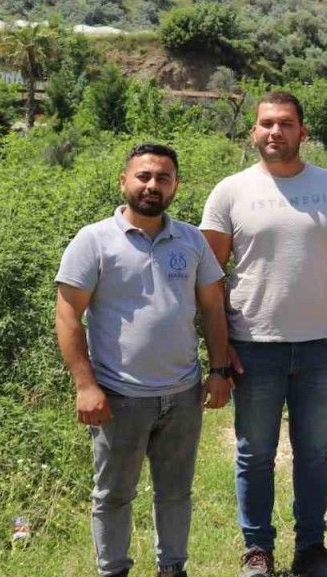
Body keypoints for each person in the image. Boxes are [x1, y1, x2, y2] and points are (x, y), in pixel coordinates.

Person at [200, 91, 327, 577]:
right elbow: (208, 278)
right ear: (253, 131)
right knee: (255, 454)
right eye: (267, 123)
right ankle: (258, 551)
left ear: (303, 132)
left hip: (320, 347)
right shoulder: (230, 191)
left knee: (314, 454)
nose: (276, 131)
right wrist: (219, 350)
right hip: (253, 347)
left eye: (286, 123)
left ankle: (311, 550)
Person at [55, 143, 232, 577]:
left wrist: (219, 370)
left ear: (176, 186)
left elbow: (213, 308)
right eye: (144, 176)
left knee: (175, 492)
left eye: (163, 178)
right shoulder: (94, 240)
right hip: (120, 397)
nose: (153, 185)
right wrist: (85, 385)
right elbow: (67, 314)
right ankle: (113, 569)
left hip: (183, 394)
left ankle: (172, 568)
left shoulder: (191, 240)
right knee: (113, 495)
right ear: (124, 181)